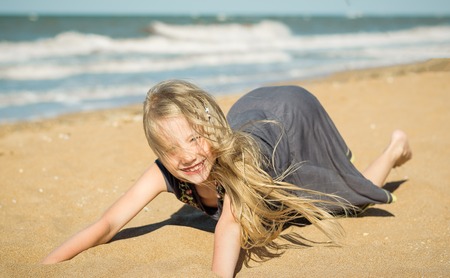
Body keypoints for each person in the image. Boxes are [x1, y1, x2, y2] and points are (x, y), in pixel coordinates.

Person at [42, 80, 412, 277]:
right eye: (172, 149)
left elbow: (230, 226)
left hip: (286, 118)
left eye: (194, 137)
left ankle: (394, 149)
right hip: (255, 110)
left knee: (350, 199)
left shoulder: (236, 165)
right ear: (158, 152)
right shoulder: (164, 171)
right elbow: (108, 223)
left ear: (210, 129)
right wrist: (47, 265)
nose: (187, 156)